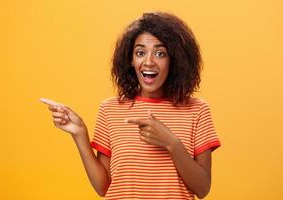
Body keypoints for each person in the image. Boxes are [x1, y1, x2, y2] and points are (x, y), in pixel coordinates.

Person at [40, 12, 220, 199]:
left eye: (160, 53)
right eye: (140, 53)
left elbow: (202, 188)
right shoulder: (110, 109)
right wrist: (80, 134)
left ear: (174, 59)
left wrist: (171, 143)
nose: (149, 62)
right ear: (131, 60)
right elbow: (103, 188)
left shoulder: (197, 110)